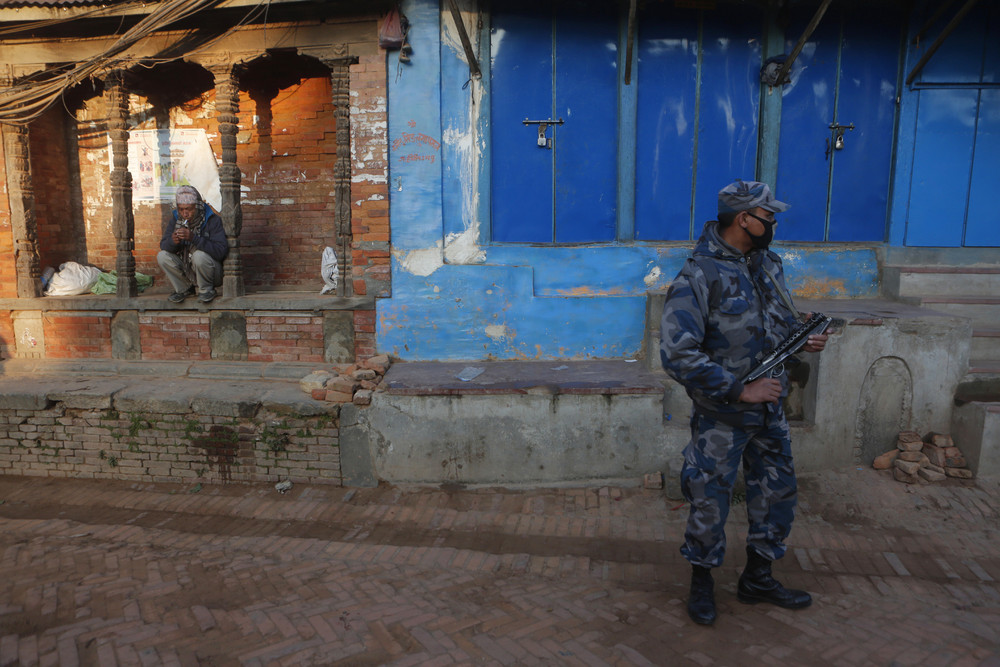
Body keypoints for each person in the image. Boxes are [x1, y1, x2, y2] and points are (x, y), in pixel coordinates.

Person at [659, 179, 829, 626]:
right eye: (768, 216)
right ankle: (701, 584)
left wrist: (802, 338)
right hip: (723, 414)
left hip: (770, 408)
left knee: (777, 494)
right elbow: (678, 353)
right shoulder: (698, 275)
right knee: (710, 500)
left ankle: (758, 578)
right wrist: (739, 389)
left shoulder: (766, 263)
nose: (773, 223)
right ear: (743, 219)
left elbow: (776, 323)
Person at [157, 185, 227, 303]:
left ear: (198, 206)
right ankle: (184, 289)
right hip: (187, 268)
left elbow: (221, 251)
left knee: (199, 255)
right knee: (162, 256)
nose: (185, 214)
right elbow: (164, 245)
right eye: (181, 209)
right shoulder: (176, 220)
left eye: (189, 209)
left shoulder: (212, 220)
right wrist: (173, 242)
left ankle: (206, 290)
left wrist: (194, 238)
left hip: (212, 273)